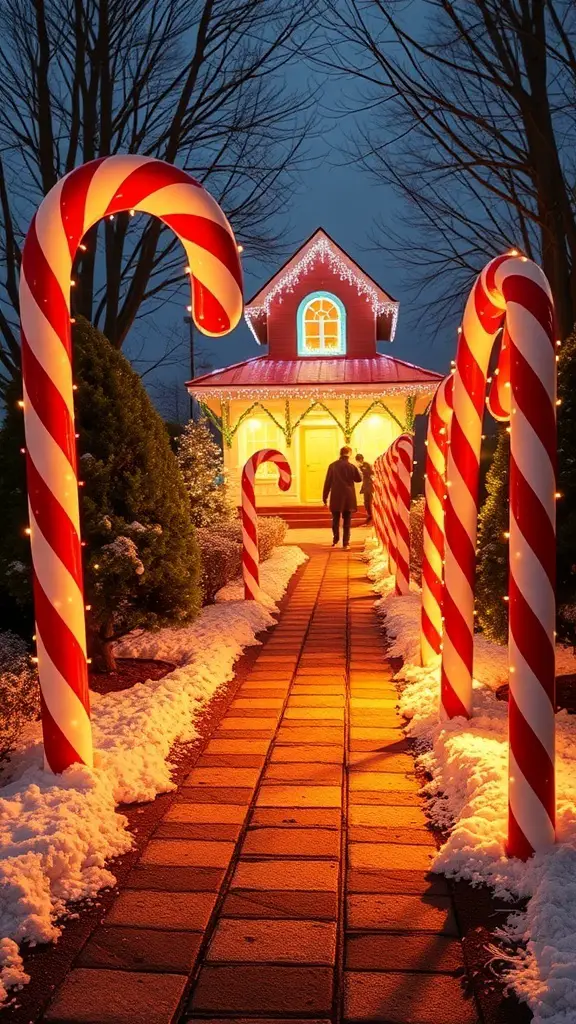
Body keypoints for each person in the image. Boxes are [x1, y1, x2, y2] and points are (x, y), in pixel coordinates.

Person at [322, 446, 362, 548]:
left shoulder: (332, 466)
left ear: (340, 453)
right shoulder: (351, 466)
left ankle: (335, 540)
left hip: (336, 496)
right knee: (347, 520)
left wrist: (325, 497)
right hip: (348, 497)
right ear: (349, 453)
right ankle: (346, 543)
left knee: (335, 519)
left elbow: (328, 482)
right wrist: (358, 468)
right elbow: (358, 479)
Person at [355, 453, 374, 524]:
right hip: (365, 485)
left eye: (359, 459)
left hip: (369, 485)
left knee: (369, 501)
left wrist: (361, 468)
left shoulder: (366, 464)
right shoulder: (360, 466)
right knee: (366, 502)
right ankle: (369, 515)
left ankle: (371, 515)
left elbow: (370, 473)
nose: (358, 461)